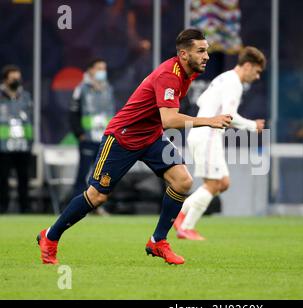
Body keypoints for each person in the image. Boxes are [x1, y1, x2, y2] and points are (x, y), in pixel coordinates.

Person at [36, 29, 233, 265]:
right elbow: (169, 120)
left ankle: (158, 241)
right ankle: (50, 236)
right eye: (201, 51)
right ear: (183, 54)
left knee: (183, 181)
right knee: (97, 196)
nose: (206, 56)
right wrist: (208, 121)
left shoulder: (187, 73)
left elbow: (163, 121)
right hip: (122, 137)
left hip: (150, 137)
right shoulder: (169, 75)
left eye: (207, 50)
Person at [173, 46, 266, 240]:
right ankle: (186, 227)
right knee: (214, 183)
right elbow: (228, 117)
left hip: (205, 134)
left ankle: (179, 216)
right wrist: (252, 125)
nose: (257, 77)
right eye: (257, 72)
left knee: (223, 183)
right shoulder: (234, 84)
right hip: (208, 134)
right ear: (248, 66)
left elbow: (201, 101)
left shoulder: (223, 78)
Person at [69, 58, 116, 216]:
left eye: (104, 68)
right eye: (99, 68)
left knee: (102, 175)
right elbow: (73, 113)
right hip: (87, 138)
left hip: (105, 139)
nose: (103, 71)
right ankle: (75, 209)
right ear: (90, 70)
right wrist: (79, 134)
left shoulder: (108, 88)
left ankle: (96, 206)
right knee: (83, 173)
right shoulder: (81, 89)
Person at [0, 65, 33, 213]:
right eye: (13, 77)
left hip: (23, 144)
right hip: (3, 145)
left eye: (18, 77)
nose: (16, 80)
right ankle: (2, 206)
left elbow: (30, 119)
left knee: (24, 178)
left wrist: (30, 141)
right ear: (6, 79)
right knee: (2, 178)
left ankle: (25, 207)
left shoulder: (25, 96)